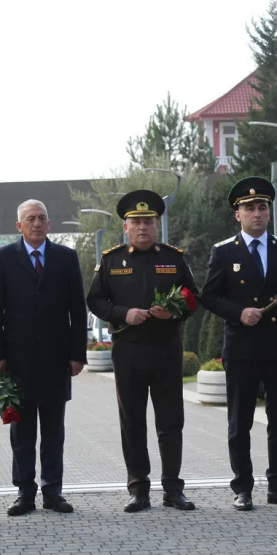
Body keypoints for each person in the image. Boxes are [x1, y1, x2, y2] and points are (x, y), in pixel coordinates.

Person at [86, 190, 199, 513]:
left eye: (148, 221)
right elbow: (95, 300)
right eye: (136, 222)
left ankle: (173, 489)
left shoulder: (173, 257)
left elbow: (194, 296)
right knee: (132, 422)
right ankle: (138, 489)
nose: (143, 227)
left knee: (170, 421)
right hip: (129, 350)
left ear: (156, 224)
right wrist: (124, 313)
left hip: (165, 348)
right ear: (126, 227)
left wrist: (175, 312)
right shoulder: (112, 259)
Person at [199, 177, 277, 512]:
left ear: (269, 212)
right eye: (249, 208)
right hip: (242, 348)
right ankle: (242, 486)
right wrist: (238, 312)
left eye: (262, 207)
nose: (257, 213)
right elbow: (209, 296)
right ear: (237, 215)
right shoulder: (224, 251)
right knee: (239, 421)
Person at [0, 199, 87, 516]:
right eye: (30, 218)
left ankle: (53, 492)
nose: (37, 223)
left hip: (57, 361)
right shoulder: (3, 258)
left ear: (49, 223)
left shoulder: (66, 258)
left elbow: (77, 311)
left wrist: (77, 354)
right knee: (23, 433)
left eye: (42, 217)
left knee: (54, 432)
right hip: (17, 362)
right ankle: (24, 492)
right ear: (19, 226)